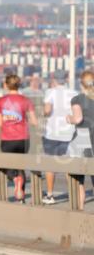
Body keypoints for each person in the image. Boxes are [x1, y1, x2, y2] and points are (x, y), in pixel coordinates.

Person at [0, 73, 37, 202]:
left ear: (6, 85)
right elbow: (34, 121)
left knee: (6, 164)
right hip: (23, 138)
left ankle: (14, 179)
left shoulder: (1, 101)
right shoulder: (25, 100)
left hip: (7, 138)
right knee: (20, 166)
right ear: (19, 85)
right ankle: (21, 195)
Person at [41, 76, 78, 204]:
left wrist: (44, 113)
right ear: (66, 80)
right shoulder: (74, 93)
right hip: (69, 133)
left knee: (50, 164)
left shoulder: (50, 92)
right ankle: (74, 195)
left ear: (54, 80)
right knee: (69, 165)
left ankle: (50, 195)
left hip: (52, 133)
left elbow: (47, 110)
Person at [68, 70, 94, 209]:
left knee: (79, 180)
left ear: (81, 83)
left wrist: (69, 118)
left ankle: (80, 209)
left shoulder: (77, 99)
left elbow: (78, 118)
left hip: (83, 139)